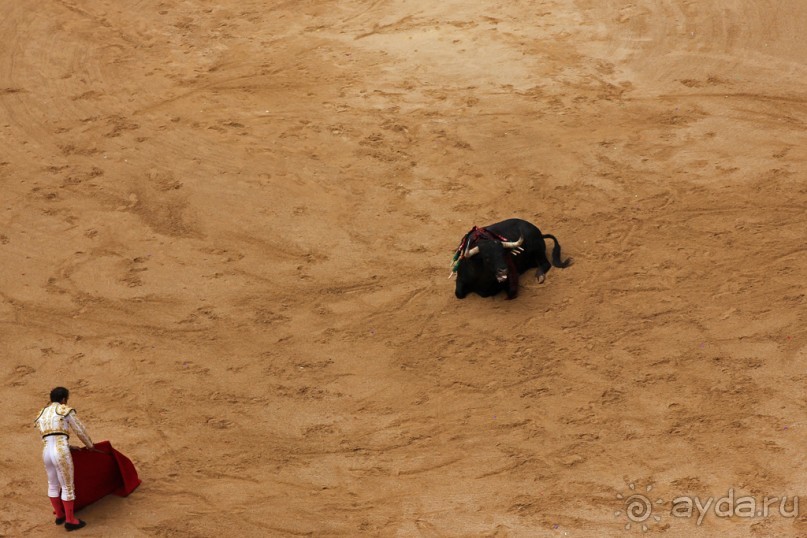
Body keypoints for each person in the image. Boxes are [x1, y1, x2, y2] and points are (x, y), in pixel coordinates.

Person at [34, 387, 94, 531]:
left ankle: (60, 515)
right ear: (64, 399)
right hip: (61, 452)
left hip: (46, 452)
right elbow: (80, 430)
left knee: (52, 484)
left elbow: (49, 436)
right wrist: (89, 445)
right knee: (67, 486)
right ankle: (70, 521)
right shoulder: (64, 410)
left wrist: (68, 445)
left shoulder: (42, 414)